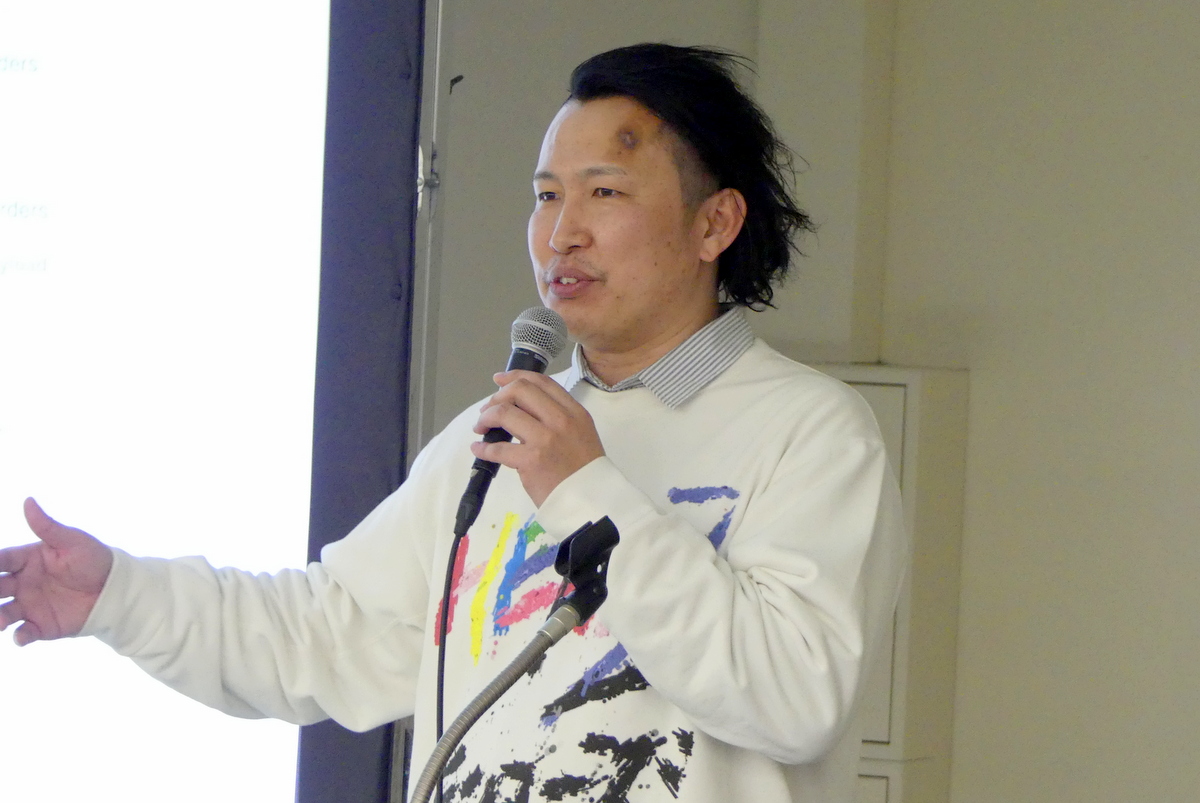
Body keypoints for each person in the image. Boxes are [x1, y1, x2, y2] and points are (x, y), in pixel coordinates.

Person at [0, 43, 907, 802]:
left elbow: (794, 696)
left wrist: (585, 488)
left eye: (604, 193)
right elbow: (327, 632)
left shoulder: (811, 432)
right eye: (546, 195)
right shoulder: (501, 431)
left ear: (716, 223)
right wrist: (120, 594)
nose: (561, 233)